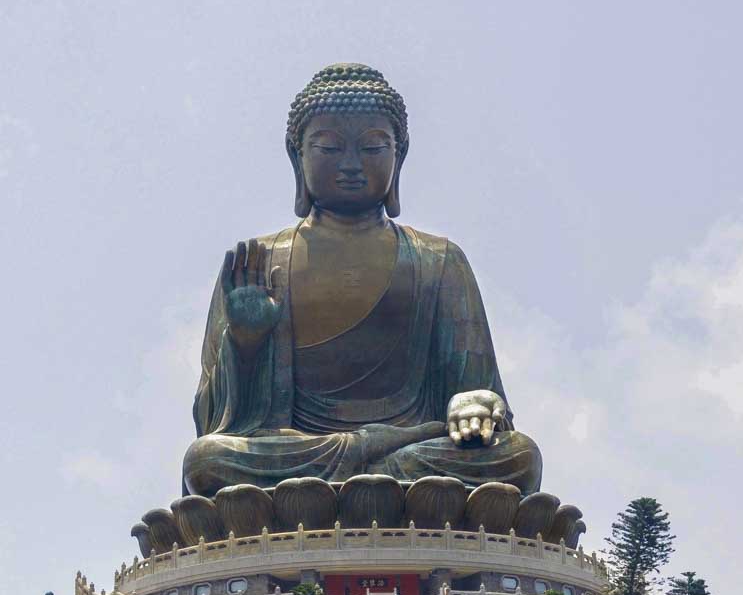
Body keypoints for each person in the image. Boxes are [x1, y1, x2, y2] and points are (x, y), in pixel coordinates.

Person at [183, 63, 542, 498]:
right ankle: (370, 483)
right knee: (207, 460)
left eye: (373, 148)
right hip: (301, 453)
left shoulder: (439, 261)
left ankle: (362, 482)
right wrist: (244, 342)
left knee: (518, 456)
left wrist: (474, 403)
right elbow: (212, 419)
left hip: (412, 449)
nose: (352, 165)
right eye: (329, 149)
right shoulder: (258, 264)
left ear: (399, 155)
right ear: (297, 156)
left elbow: (476, 390)